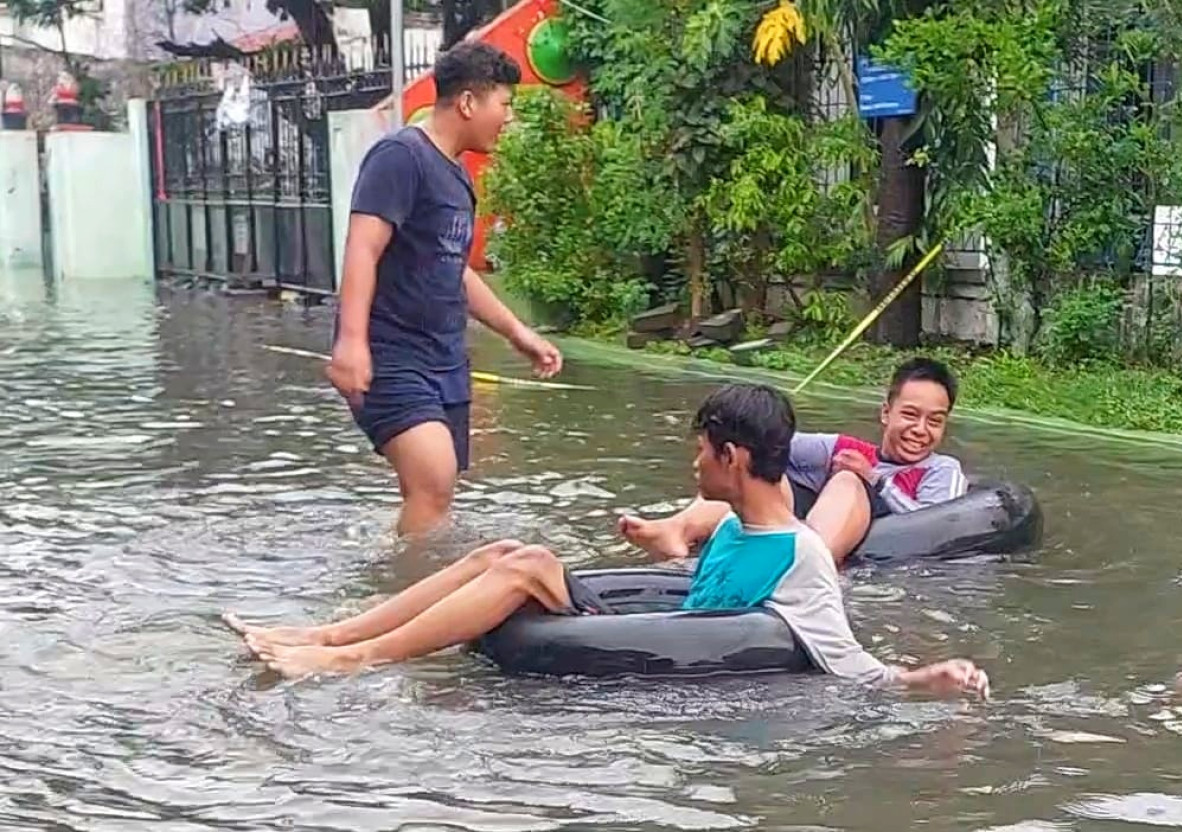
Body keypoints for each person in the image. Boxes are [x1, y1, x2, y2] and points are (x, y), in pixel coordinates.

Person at [224, 383, 989, 698]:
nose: (693, 463)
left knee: (524, 565)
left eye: (702, 451)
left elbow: (849, 661)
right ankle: (326, 633)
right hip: (657, 614)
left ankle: (346, 660)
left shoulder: (801, 556)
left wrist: (927, 679)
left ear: (732, 459)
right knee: (504, 553)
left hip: (654, 642)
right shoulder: (728, 524)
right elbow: (682, 585)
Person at [325, 41, 563, 538]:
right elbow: (362, 248)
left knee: (435, 488)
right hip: (392, 355)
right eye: (505, 104)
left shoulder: (455, 175)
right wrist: (350, 342)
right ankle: (408, 600)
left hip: (445, 359)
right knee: (433, 481)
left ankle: (414, 587)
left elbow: (453, 268)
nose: (508, 119)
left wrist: (518, 334)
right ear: (469, 102)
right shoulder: (400, 157)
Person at [619, 357, 967, 566]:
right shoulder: (844, 447)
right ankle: (676, 529)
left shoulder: (941, 470)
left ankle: (800, 568)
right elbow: (766, 445)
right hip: (800, 524)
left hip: (845, 546)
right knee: (764, 471)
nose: (920, 430)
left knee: (848, 480)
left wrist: (873, 478)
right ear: (886, 413)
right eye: (910, 415)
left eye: (934, 421)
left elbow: (936, 525)